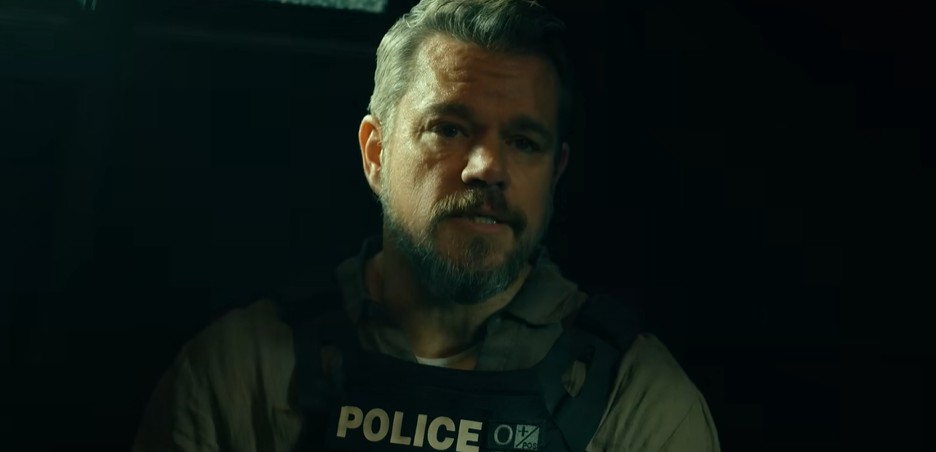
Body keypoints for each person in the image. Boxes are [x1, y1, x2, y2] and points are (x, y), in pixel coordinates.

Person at [132, 0, 720, 450]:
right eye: (449, 129)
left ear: (556, 171)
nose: (487, 167)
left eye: (523, 141)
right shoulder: (241, 374)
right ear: (376, 153)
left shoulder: (635, 402)